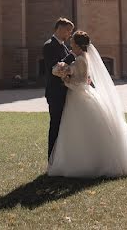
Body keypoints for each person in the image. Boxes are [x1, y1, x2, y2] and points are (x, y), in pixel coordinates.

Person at [47, 31, 127, 178]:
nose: (71, 47)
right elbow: (83, 78)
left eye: (72, 44)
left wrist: (65, 80)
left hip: (79, 96)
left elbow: (80, 83)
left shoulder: (81, 59)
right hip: (80, 96)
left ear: (78, 45)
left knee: (83, 129)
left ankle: (89, 162)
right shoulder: (82, 57)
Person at [43, 17, 75, 160]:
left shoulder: (63, 46)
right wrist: (72, 57)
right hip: (55, 92)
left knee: (64, 125)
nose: (69, 34)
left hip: (65, 90)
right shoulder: (49, 45)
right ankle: (52, 158)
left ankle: (61, 157)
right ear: (60, 28)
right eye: (68, 30)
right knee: (55, 123)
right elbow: (55, 69)